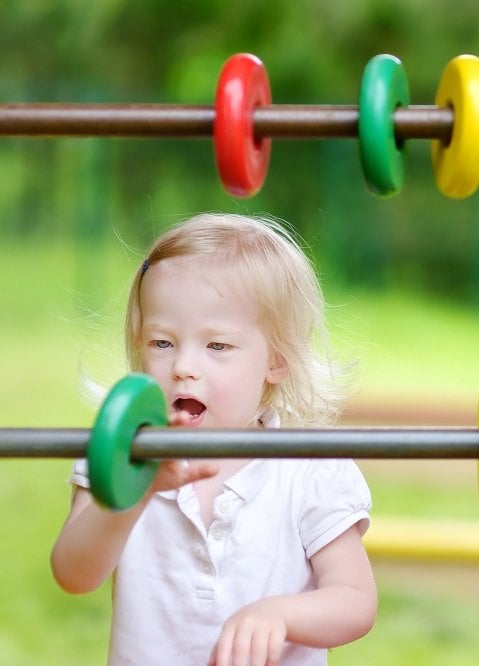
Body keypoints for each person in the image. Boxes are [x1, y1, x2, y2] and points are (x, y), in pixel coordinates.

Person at [51, 213, 376, 666]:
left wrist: (280, 614)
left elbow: (355, 600)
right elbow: (74, 573)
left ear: (277, 360)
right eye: (162, 343)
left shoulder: (310, 466)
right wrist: (133, 492)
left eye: (217, 346)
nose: (184, 365)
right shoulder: (117, 453)